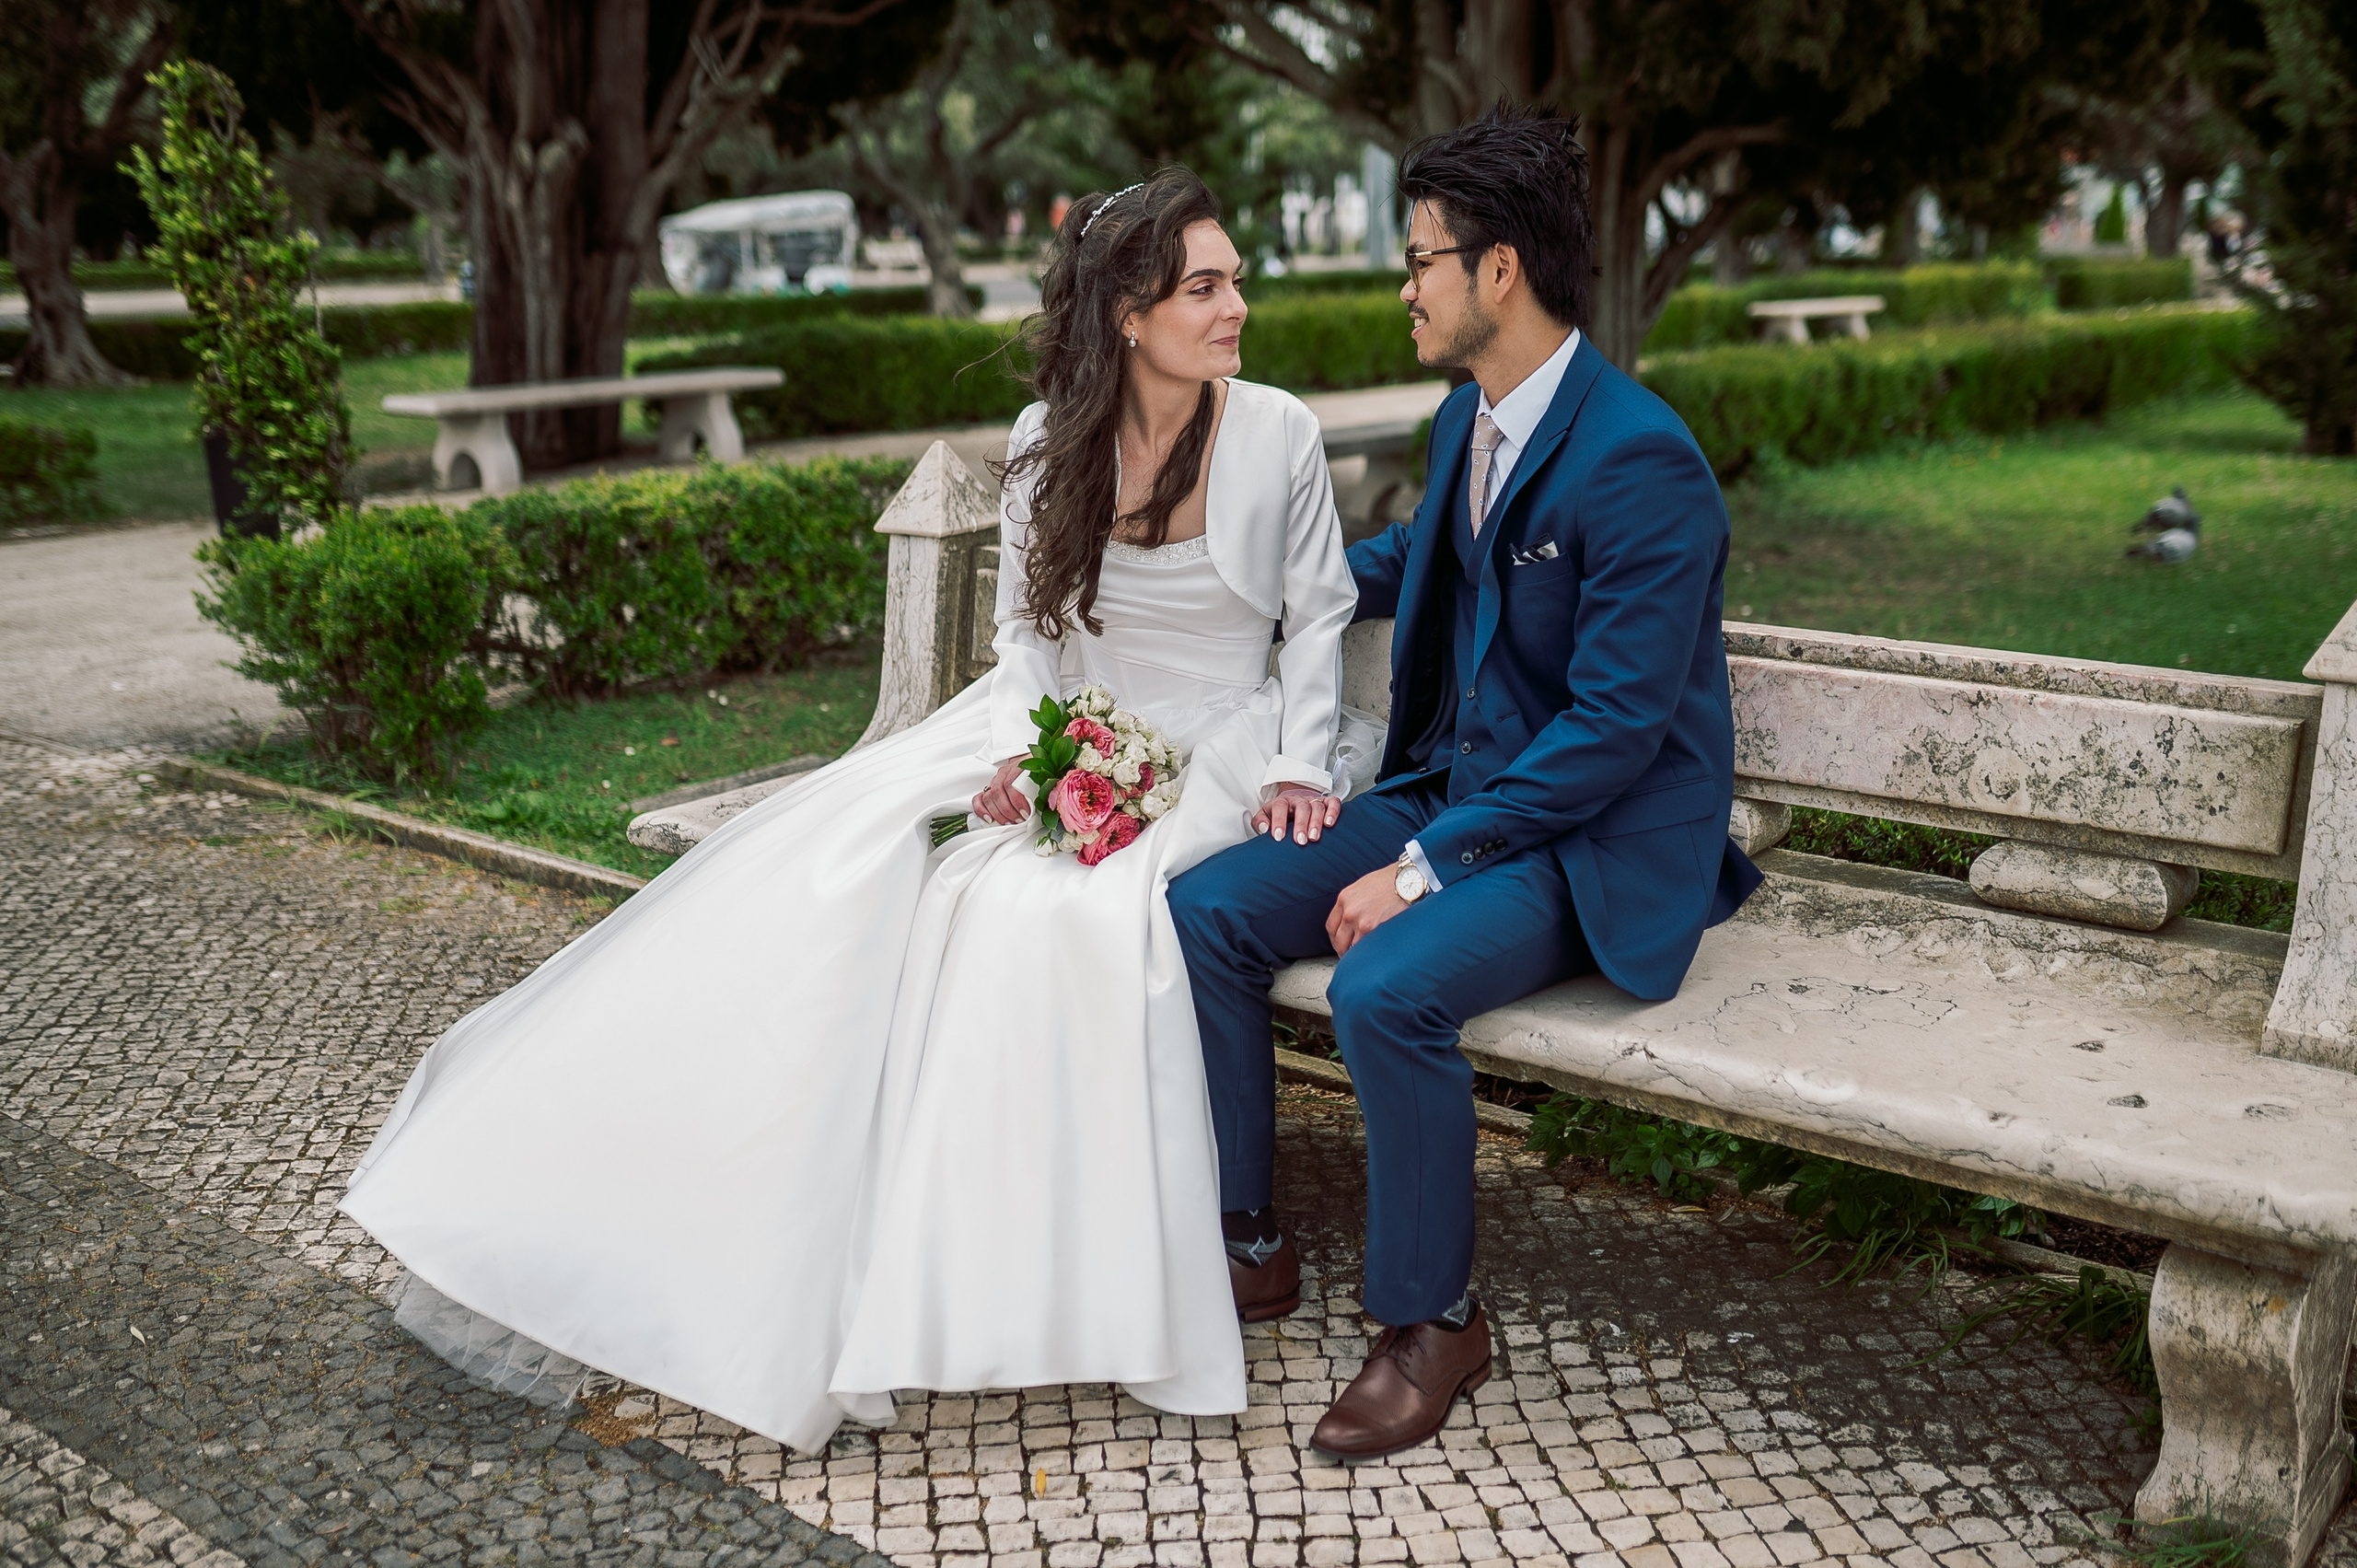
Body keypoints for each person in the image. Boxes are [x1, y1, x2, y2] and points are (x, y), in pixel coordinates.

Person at [340, 168, 1359, 1455]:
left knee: (1098, 921)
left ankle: (1151, 1261)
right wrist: (1046, 755)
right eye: (1206, 286)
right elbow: (1028, 631)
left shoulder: (1276, 431)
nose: (1238, 307)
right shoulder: (1055, 437)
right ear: (1127, 314)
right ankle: (876, 1229)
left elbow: (1317, 616)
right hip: (1073, 726)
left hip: (1228, 740)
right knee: (889, 872)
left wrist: (1297, 766)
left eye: (1233, 281)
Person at [1168, 105, 1763, 1460]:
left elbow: (1615, 732)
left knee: (1388, 987)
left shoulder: (1644, 461)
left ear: (1499, 271)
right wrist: (1232, 595)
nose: (1406, 287)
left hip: (1591, 843)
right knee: (1208, 911)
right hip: (1460, 791)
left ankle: (1435, 1323)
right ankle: (1247, 1238)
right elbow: (1398, 569)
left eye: (1422, 258)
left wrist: (1421, 869)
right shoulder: (1467, 425)